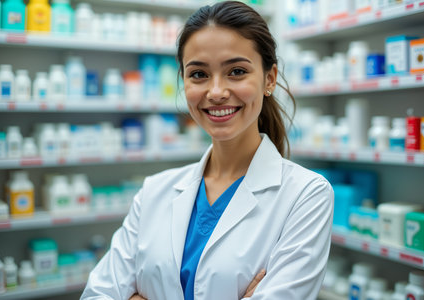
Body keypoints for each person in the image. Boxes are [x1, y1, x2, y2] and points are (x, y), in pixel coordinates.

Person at [81, 1, 334, 299]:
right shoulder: (154, 192)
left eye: (237, 71)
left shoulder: (306, 196)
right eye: (199, 74)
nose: (215, 92)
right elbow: (97, 294)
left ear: (269, 78)